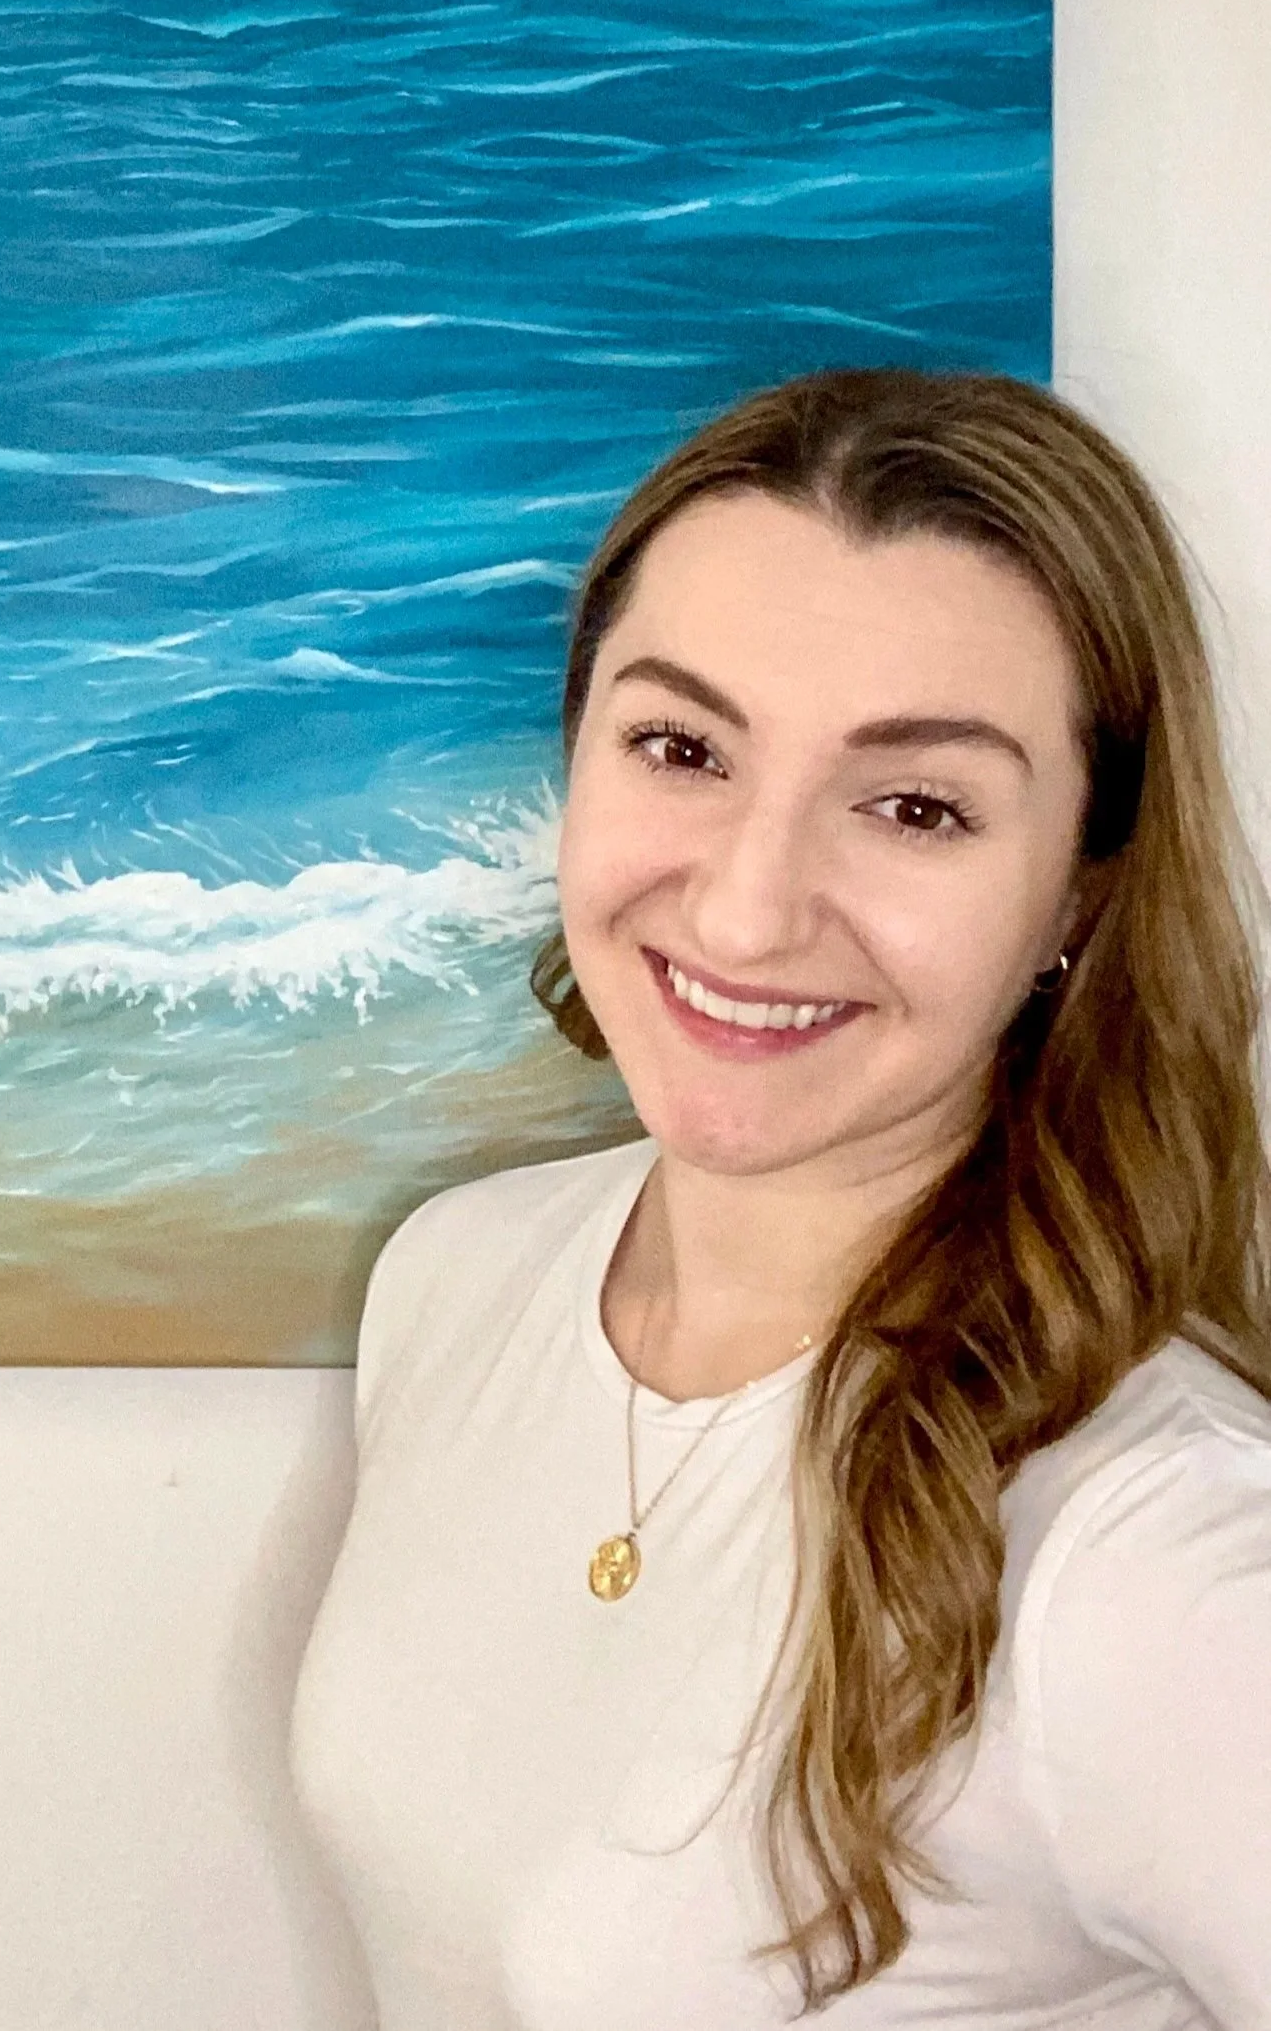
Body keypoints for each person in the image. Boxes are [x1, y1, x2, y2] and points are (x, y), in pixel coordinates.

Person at [290, 367, 1271, 2027]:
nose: (745, 913)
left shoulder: (1153, 1557)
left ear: (1074, 897)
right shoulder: (460, 1278)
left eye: (912, 805)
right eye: (680, 746)